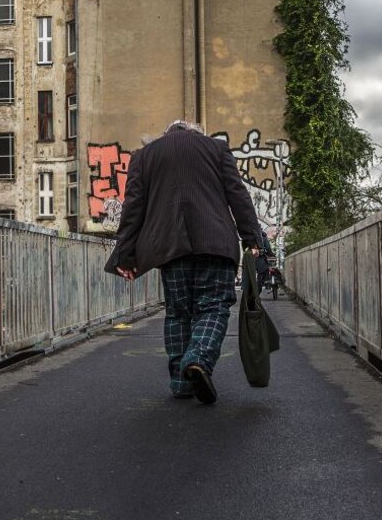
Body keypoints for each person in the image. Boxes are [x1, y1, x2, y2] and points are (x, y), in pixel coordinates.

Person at [105, 120, 263, 404]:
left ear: (166, 135)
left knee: (178, 312)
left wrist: (125, 254)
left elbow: (133, 207)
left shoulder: (145, 155)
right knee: (213, 306)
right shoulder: (216, 148)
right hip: (215, 242)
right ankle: (198, 359)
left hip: (169, 246)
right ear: (195, 133)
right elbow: (237, 195)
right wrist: (253, 239)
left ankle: (181, 382)